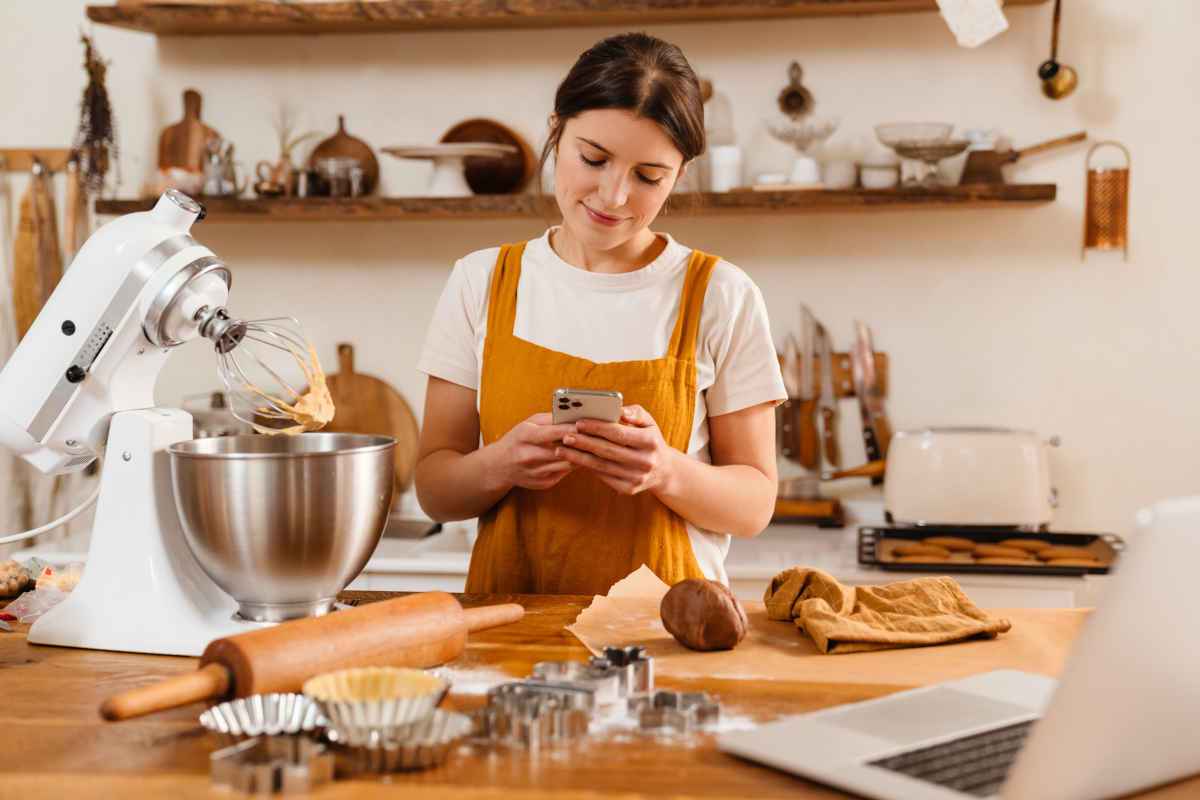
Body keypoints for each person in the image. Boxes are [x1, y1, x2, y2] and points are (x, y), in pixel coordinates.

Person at [415, 32, 786, 595]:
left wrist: (666, 470)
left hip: (670, 636)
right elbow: (435, 488)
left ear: (679, 176)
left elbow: (755, 505)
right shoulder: (481, 281)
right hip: (511, 631)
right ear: (556, 133)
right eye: (594, 158)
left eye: (648, 176)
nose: (614, 196)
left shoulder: (721, 295)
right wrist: (500, 464)